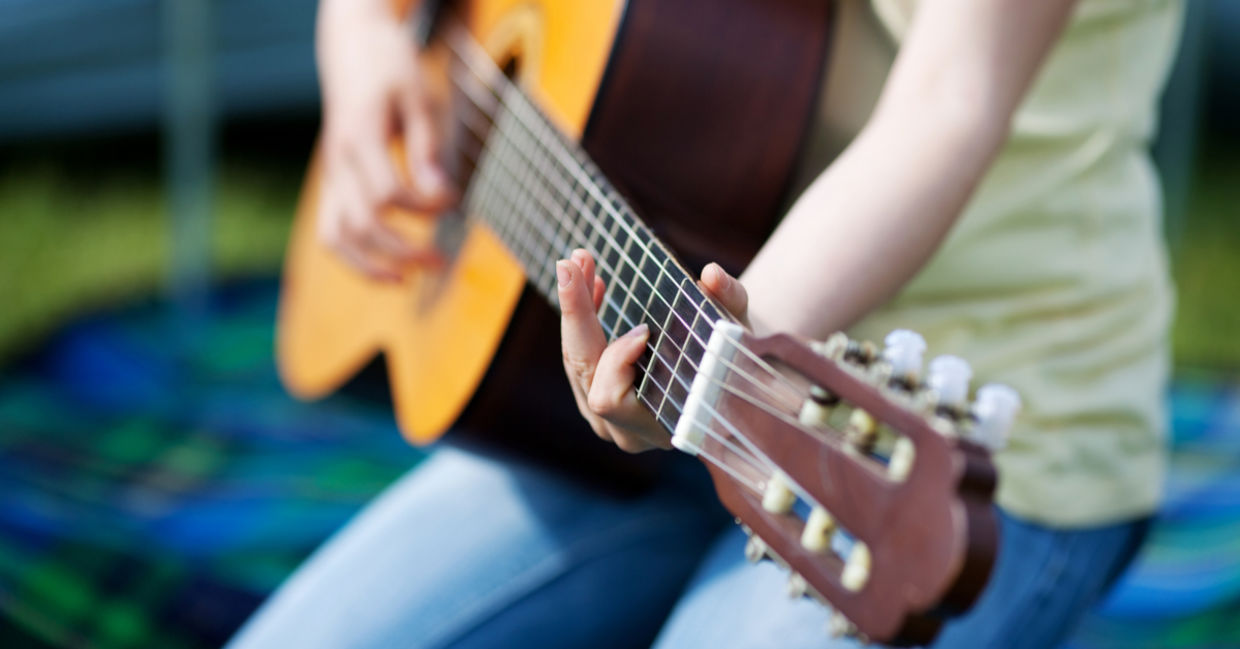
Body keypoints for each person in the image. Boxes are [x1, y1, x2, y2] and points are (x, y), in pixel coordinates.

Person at [229, 0, 1181, 647]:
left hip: (935, 449)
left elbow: (948, 102)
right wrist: (359, 35)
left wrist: (716, 357)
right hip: (642, 347)